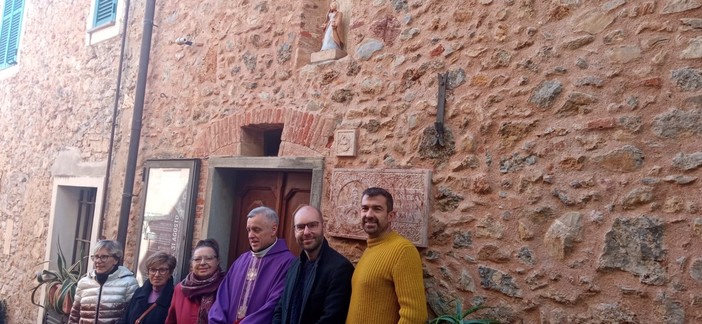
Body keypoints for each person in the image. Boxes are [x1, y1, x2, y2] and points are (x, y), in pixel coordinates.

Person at [345, 187, 428, 324]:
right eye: (365, 208)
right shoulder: (370, 249)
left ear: (391, 215)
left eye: (377, 209)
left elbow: (415, 315)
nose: (369, 215)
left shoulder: (403, 251)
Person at [209, 206, 295, 324]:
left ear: (273, 230)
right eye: (248, 230)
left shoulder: (288, 263)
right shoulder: (241, 261)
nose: (250, 235)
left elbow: (273, 306)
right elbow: (221, 299)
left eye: (256, 230)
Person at [272, 205, 354, 324]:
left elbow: (332, 319)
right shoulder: (294, 265)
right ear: (294, 231)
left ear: (323, 227)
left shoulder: (340, 268)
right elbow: (280, 308)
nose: (306, 232)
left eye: (312, 225)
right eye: (300, 227)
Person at [69, 240, 139, 323]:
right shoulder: (84, 283)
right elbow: (74, 316)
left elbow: (131, 316)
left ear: (116, 260)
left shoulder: (129, 283)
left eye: (104, 257)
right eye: (96, 257)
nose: (98, 261)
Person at [165, 239, 225, 324]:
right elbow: (171, 320)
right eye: (197, 259)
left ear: (218, 261)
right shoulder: (181, 289)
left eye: (208, 258)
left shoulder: (225, 287)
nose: (202, 263)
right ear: (191, 263)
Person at [121, 252, 177, 324]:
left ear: (170, 273)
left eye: (162, 270)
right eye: (153, 270)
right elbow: (125, 318)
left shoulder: (174, 297)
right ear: (148, 272)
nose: (157, 275)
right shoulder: (139, 293)